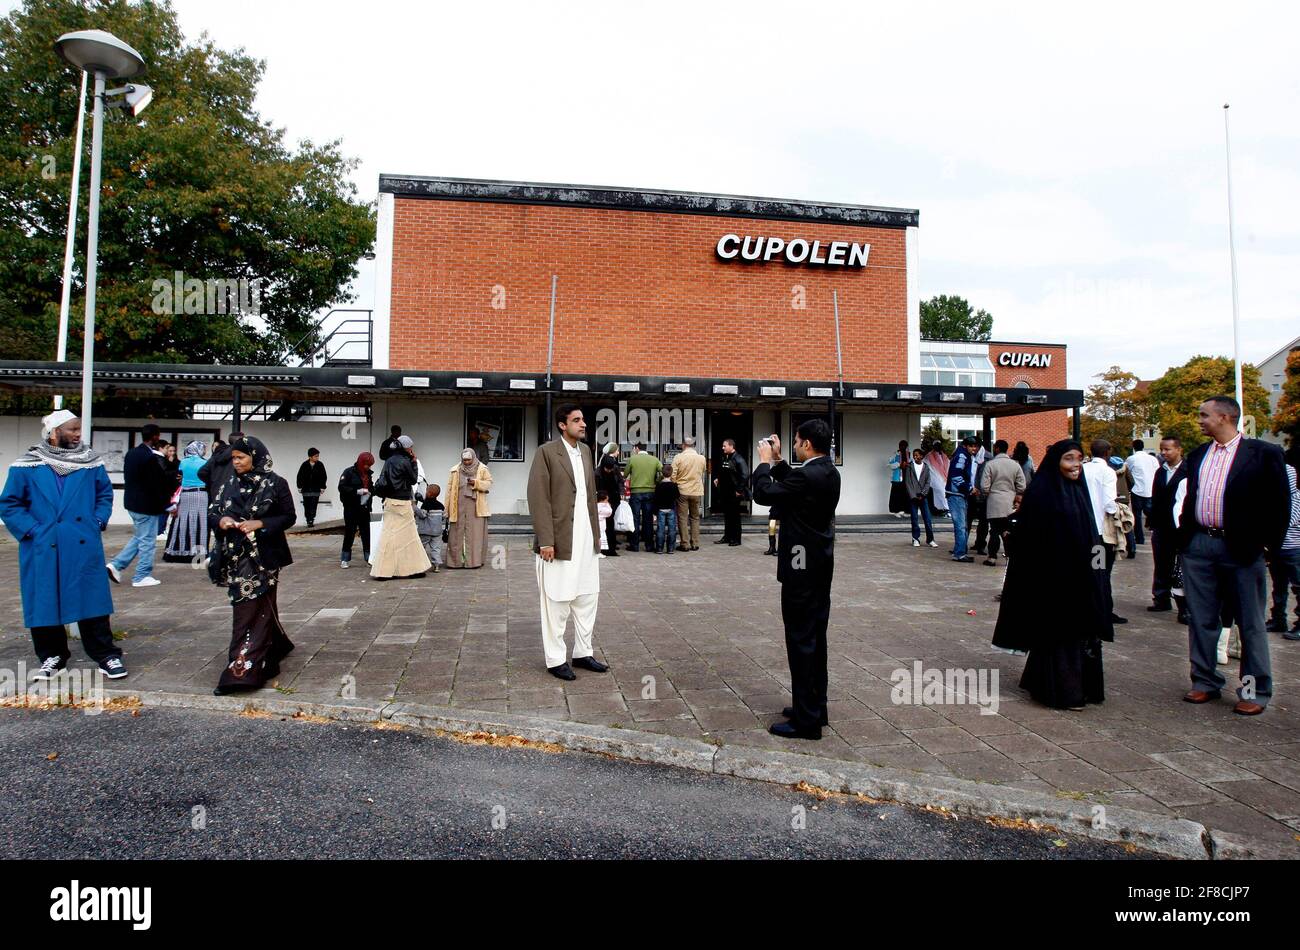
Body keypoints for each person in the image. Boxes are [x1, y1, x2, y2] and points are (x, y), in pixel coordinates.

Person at [1179, 396, 1290, 715]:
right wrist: (1184, 540)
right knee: (1201, 619)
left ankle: (1254, 691)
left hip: (1241, 548)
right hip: (1199, 545)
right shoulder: (1199, 453)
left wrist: (1269, 547)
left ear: (1226, 417)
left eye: (1204, 415)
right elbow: (1192, 496)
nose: (1199, 420)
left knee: (1249, 622)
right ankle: (1204, 682)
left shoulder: (1264, 454)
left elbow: (1279, 503)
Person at [0, 409, 126, 681]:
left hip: (81, 542)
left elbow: (104, 494)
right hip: (43, 544)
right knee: (44, 601)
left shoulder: (90, 462)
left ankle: (106, 655)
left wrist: (97, 521)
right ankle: (52, 656)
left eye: (78, 429)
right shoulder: (26, 465)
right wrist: (32, 530)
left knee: (91, 601)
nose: (78, 434)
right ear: (54, 433)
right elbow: (10, 504)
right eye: (72, 429)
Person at [992, 440, 1113, 710]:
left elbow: (1092, 533)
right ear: (1056, 462)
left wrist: (1099, 570)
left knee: (1082, 631)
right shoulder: (1042, 493)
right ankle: (1064, 691)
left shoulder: (1077, 490)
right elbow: (1031, 539)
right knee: (1061, 633)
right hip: (1053, 578)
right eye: (1069, 459)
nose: (1076, 465)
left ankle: (1066, 684)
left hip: (1081, 575)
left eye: (1079, 459)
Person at [752, 422, 840, 740]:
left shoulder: (808, 475)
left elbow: (763, 494)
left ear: (804, 444)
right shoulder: (828, 471)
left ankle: (807, 722)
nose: (795, 445)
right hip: (819, 564)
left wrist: (764, 462)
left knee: (801, 640)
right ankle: (815, 706)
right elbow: (796, 485)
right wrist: (779, 462)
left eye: (796, 442)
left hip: (800, 565)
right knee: (816, 638)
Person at [208, 436, 296, 696]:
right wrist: (222, 520)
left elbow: (289, 516)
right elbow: (213, 512)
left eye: (240, 458)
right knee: (259, 604)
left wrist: (261, 524)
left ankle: (242, 670)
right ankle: (273, 649)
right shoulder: (228, 484)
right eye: (233, 458)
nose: (235, 463)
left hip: (264, 555)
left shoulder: (276, 484)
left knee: (249, 608)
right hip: (234, 555)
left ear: (255, 457)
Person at [528, 404, 607, 681]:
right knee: (557, 599)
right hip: (559, 540)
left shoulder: (586, 451)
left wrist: (598, 538)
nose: (583, 424)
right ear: (562, 425)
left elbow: (589, 496)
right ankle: (555, 659)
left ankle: (583, 653)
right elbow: (539, 498)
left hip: (586, 540)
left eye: (583, 419)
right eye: (577, 420)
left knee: (587, 597)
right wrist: (546, 540)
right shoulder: (546, 453)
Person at [108, 423, 172, 589]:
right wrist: (167, 504)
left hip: (132, 503)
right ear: (156, 437)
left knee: (140, 537)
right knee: (147, 541)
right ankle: (142, 575)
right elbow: (157, 483)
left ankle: (116, 565)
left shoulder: (132, 453)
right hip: (146, 505)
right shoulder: (149, 457)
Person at [370, 435, 431, 580]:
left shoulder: (389, 460)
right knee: (409, 537)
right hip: (402, 501)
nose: (412, 449)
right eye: (410, 447)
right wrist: (414, 462)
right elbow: (412, 479)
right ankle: (413, 569)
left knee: (389, 536)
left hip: (390, 501)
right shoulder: (405, 461)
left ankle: (383, 571)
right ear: (406, 447)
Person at [1082, 439, 1124, 624]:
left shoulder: (1083, 469)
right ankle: (1104, 610)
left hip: (1084, 529)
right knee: (1102, 571)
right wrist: (1118, 512)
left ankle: (1091, 607)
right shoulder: (1107, 472)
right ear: (1108, 452)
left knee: (1091, 570)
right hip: (1100, 533)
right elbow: (1109, 502)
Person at [1148, 435, 1187, 618]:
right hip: (1162, 525)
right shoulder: (1160, 471)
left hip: (1179, 526)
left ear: (1179, 450)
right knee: (1161, 562)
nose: (1163, 453)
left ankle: (1183, 605)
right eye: (1162, 449)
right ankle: (1161, 598)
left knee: (1180, 565)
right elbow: (1155, 497)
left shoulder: (1189, 471)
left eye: (1167, 449)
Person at [979, 439, 1026, 566]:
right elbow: (1022, 485)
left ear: (997, 449)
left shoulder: (990, 464)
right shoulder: (1015, 465)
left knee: (994, 530)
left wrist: (987, 493)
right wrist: (1016, 495)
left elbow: (984, 486)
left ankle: (992, 557)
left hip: (994, 500)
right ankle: (1010, 555)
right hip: (1009, 501)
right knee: (1007, 530)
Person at [1269, 445, 1300, 639]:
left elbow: (1290, 517)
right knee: (1278, 586)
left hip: (1294, 546)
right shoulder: (1276, 471)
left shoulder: (1290, 475)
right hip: (1277, 545)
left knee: (1298, 586)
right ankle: (1278, 619)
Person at [445, 448, 492, 569]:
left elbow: (489, 483)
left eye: (469, 460)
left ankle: (473, 561)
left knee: (474, 534)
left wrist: (476, 483)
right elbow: (449, 489)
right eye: (464, 460)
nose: (466, 462)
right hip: (458, 505)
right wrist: (447, 508)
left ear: (473, 458)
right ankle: (456, 561)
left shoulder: (482, 468)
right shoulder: (455, 470)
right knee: (457, 533)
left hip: (475, 506)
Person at [163, 440, 210, 563]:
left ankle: (179, 551)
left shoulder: (183, 462)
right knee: (200, 522)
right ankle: (198, 554)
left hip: (184, 494)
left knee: (182, 521)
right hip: (201, 494)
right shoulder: (205, 463)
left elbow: (178, 477)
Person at [623, 442, 662, 552]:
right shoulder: (654, 459)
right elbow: (663, 472)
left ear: (637, 448)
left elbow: (625, 474)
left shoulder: (632, 459)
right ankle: (649, 545)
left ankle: (634, 545)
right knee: (648, 519)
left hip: (635, 492)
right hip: (650, 492)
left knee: (634, 518)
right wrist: (656, 481)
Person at [338, 451, 374, 568]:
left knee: (366, 533)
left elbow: (372, 488)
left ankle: (369, 557)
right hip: (351, 507)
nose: (367, 467)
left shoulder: (368, 474)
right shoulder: (348, 472)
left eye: (369, 465)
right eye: (366, 464)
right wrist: (357, 491)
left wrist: (372, 491)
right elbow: (342, 487)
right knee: (350, 532)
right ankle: (345, 558)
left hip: (364, 507)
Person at [945, 437, 978, 563]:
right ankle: (960, 554)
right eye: (971, 446)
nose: (974, 449)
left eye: (975, 446)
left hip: (957, 494)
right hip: (956, 494)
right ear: (966, 446)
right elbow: (956, 476)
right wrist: (969, 488)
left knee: (961, 525)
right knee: (961, 525)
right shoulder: (962, 457)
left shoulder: (961, 455)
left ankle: (959, 551)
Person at [671, 436, 707, 551]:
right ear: (694, 445)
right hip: (696, 491)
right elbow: (703, 471)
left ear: (683, 445)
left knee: (682, 517)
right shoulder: (701, 458)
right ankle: (695, 543)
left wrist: (675, 484)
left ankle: (685, 544)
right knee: (695, 517)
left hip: (682, 491)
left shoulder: (678, 457)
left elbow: (673, 475)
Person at [713, 438, 750, 546]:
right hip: (726, 492)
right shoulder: (726, 457)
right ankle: (727, 537)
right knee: (728, 515)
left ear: (731, 446)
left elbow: (745, 475)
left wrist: (739, 490)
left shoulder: (738, 459)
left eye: (724, 446)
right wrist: (718, 479)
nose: (722, 448)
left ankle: (736, 539)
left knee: (735, 516)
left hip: (734, 493)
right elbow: (725, 472)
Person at [1125, 439, 1159, 547]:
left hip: (1137, 489)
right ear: (1143, 446)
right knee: (1151, 512)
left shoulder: (1131, 459)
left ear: (1134, 447)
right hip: (1150, 489)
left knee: (1137, 515)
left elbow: (1127, 471)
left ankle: (1140, 538)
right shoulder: (1152, 459)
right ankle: (1157, 532)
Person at [903, 447, 936, 547]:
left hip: (923, 496)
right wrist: (913, 495)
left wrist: (923, 494)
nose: (915, 457)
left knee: (927, 518)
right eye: (914, 456)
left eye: (917, 455)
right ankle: (915, 538)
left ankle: (930, 539)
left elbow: (928, 482)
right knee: (914, 519)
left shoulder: (926, 467)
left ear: (922, 456)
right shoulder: (910, 467)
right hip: (913, 497)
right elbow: (908, 482)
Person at [597, 443, 624, 556]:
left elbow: (620, 482)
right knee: (604, 524)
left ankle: (610, 547)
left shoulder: (614, 469)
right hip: (602, 501)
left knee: (610, 523)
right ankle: (603, 547)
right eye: (607, 469)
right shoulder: (598, 473)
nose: (609, 471)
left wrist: (620, 493)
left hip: (612, 500)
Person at [413, 484, 445, 573]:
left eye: (426, 491)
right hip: (437, 532)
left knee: (421, 547)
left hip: (425, 531)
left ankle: (419, 563)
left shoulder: (426, 504)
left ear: (429, 494)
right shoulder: (441, 505)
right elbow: (444, 516)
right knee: (436, 548)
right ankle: (437, 565)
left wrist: (414, 507)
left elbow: (422, 515)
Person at [296, 447, 327, 528]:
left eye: (318, 456)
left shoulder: (320, 465)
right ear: (310, 457)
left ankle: (311, 520)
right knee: (307, 505)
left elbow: (324, 476)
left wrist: (323, 487)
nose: (317, 457)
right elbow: (299, 476)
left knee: (314, 505)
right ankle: (308, 519)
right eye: (315, 456)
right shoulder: (304, 465)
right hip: (306, 489)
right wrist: (299, 486)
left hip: (316, 489)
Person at [156, 441, 180, 539]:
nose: (172, 453)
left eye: (173, 451)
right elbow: (165, 474)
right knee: (164, 510)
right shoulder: (162, 460)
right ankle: (160, 530)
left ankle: (165, 528)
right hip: (166, 489)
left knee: (172, 509)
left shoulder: (177, 462)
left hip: (174, 489)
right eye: (169, 450)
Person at [653, 471, 679, 554]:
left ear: (662, 474)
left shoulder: (659, 485)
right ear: (671, 474)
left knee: (660, 529)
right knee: (672, 529)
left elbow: (656, 499)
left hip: (661, 509)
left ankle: (659, 548)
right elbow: (677, 496)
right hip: (671, 509)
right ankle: (670, 548)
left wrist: (654, 512)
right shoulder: (674, 485)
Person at [924, 442, 950, 519]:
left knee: (945, 491)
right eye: (936, 445)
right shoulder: (929, 456)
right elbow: (927, 466)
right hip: (935, 478)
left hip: (944, 477)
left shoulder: (944, 455)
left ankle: (945, 509)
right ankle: (945, 509)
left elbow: (948, 464)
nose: (937, 446)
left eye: (939, 445)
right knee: (941, 491)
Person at [887, 439, 909, 518]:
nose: (903, 447)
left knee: (906, 495)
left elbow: (911, 463)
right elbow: (889, 464)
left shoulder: (908, 454)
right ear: (899, 446)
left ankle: (906, 511)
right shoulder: (895, 454)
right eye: (901, 445)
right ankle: (895, 511)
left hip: (906, 478)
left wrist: (907, 465)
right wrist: (899, 465)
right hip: (897, 478)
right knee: (896, 495)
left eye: (905, 446)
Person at [596, 490, 613, 558]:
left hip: (597, 525)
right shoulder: (604, 506)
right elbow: (609, 512)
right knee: (600, 539)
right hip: (601, 527)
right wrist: (608, 505)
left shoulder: (596, 505)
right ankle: (598, 552)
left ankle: (597, 552)